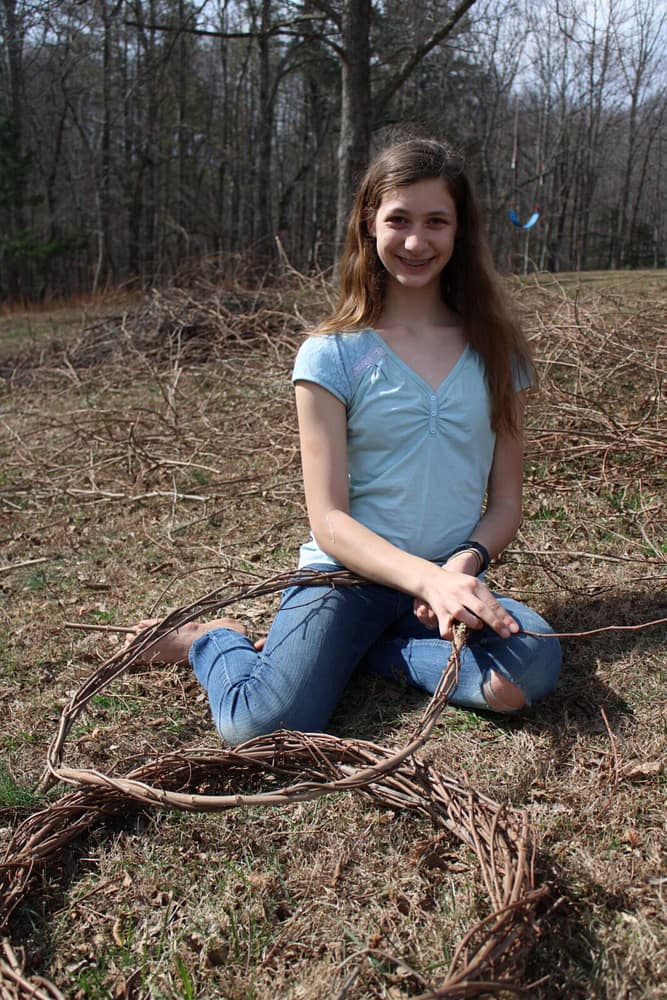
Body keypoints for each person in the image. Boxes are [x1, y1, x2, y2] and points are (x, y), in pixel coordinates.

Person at [127, 138, 562, 745]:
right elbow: (328, 520)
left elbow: (507, 502)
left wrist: (459, 567)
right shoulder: (333, 355)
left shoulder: (497, 353)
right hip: (347, 577)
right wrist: (423, 580)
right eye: (399, 220)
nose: (417, 241)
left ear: (461, 230)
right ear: (369, 223)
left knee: (532, 664)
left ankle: (371, 652)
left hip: (445, 582)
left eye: (436, 221)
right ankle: (215, 639)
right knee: (258, 723)